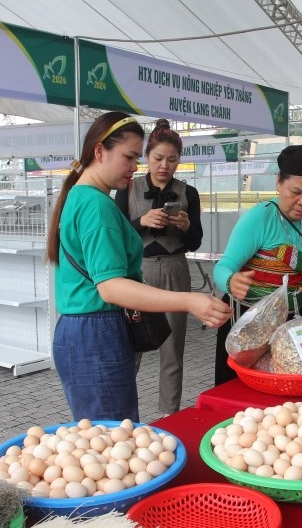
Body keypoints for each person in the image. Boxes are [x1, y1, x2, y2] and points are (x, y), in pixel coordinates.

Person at [45, 111, 231, 422]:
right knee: (113, 439)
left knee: (103, 435)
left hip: (83, 330)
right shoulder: (96, 204)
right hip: (96, 332)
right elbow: (111, 287)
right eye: (130, 157)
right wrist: (189, 300)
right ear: (100, 151)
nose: (135, 167)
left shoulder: (81, 197)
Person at [212, 144, 302, 385]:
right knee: (240, 391)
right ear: (279, 182)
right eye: (296, 191)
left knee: (286, 387)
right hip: (248, 323)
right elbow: (222, 267)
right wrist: (231, 281)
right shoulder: (259, 218)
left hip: (293, 324)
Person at [114, 119, 202, 417]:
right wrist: (142, 222)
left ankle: (170, 416)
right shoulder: (128, 188)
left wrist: (187, 225)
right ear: (147, 157)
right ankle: (124, 416)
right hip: (138, 272)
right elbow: (115, 232)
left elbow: (195, 242)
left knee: (172, 350)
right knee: (132, 347)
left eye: (172, 159)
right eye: (158, 158)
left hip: (176, 269)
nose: (165, 166)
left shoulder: (188, 193)